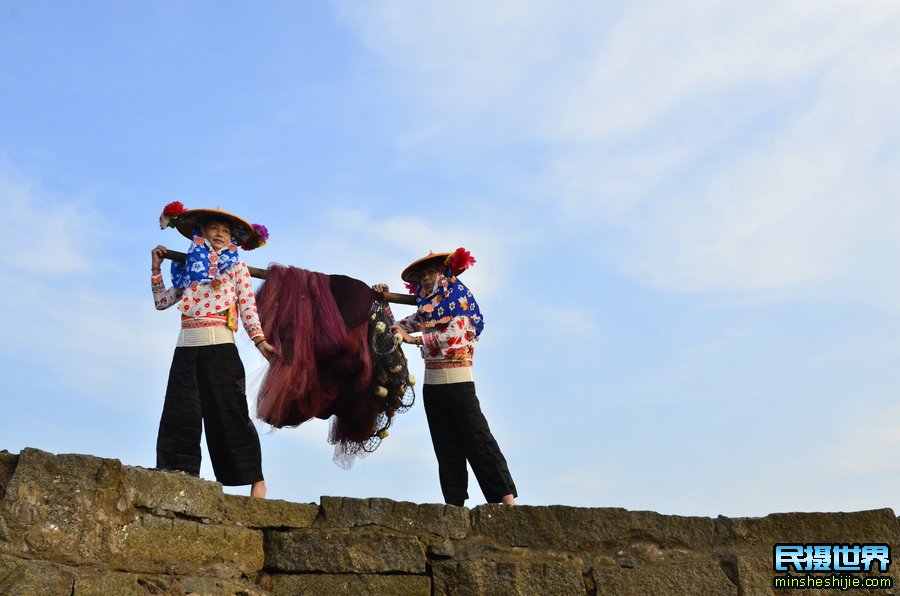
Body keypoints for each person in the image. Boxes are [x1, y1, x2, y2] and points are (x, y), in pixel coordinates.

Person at [373, 248, 517, 506]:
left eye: (431, 273)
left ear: (444, 273)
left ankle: (508, 502)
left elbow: (452, 337)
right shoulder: (425, 310)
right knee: (445, 445)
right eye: (422, 275)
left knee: (478, 439)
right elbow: (399, 327)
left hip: (459, 382)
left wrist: (415, 339)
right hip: (433, 385)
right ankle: (454, 504)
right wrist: (382, 301)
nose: (426, 279)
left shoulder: (461, 300)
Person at [151, 202, 276, 498]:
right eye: (213, 228)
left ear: (232, 238)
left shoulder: (237, 268)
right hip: (186, 347)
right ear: (201, 231)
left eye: (224, 230)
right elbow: (161, 302)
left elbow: (248, 309)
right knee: (179, 410)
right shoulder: (185, 269)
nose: (219, 234)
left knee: (230, 412)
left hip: (221, 347)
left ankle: (255, 479)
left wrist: (260, 342)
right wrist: (156, 268)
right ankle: (177, 474)